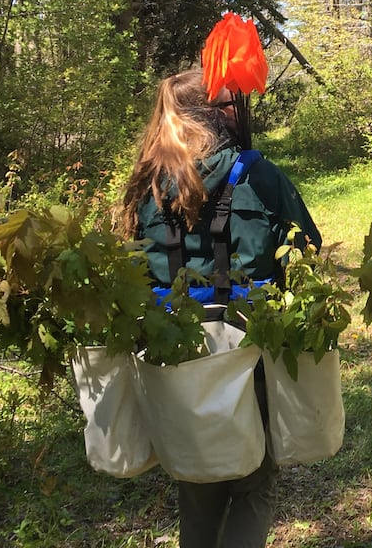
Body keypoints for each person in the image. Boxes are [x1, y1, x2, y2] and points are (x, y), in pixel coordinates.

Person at [115, 70, 321, 548]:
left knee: (198, 481)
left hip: (178, 353)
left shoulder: (146, 186)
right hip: (250, 349)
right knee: (253, 482)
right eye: (231, 104)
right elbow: (307, 248)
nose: (238, 112)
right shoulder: (257, 174)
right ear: (212, 115)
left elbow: (131, 274)